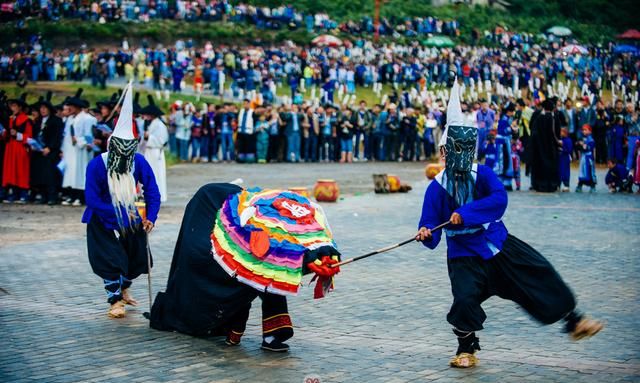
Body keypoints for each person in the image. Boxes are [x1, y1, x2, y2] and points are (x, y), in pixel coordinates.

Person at [416, 80, 603, 369]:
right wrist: (425, 232)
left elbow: (499, 200)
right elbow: (431, 229)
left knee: (539, 273)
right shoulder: (436, 188)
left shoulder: (484, 174)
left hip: (497, 242)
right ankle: (466, 348)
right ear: (443, 153)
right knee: (464, 299)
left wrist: (465, 213)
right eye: (448, 151)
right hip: (464, 253)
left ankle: (574, 321)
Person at [149, 185, 340, 352]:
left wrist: (317, 257)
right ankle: (244, 330)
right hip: (222, 230)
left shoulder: (282, 222)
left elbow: (297, 244)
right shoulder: (250, 220)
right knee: (250, 274)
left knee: (270, 273)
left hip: (257, 233)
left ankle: (270, 335)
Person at [82, 83, 160, 318]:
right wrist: (117, 215)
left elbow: (153, 192)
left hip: (131, 213)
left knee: (136, 257)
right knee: (110, 259)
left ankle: (124, 287)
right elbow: (92, 199)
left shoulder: (139, 161)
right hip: (102, 215)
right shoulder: (97, 165)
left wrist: (151, 218)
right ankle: (114, 300)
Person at [61, 89, 96, 206]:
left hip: (83, 149)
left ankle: (81, 197)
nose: (68, 109)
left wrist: (80, 141)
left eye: (70, 107)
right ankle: (72, 194)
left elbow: (89, 135)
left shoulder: (87, 118)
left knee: (82, 173)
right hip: (72, 149)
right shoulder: (71, 119)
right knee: (72, 173)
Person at [31, 93, 64, 205]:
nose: (43, 110)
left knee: (50, 175)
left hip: (51, 151)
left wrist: (50, 147)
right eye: (41, 108)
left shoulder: (56, 121)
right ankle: (43, 195)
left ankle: (52, 196)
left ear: (49, 109)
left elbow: (57, 136)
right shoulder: (38, 121)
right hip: (39, 151)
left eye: (45, 108)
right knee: (40, 174)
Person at [2, 93, 33, 203]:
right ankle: (14, 194)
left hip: (20, 148)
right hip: (11, 148)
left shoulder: (26, 120)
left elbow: (29, 137)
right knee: (11, 171)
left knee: (21, 170)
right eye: (11, 106)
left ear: (20, 107)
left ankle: (23, 194)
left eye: (14, 106)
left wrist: (17, 134)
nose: (12, 108)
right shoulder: (11, 119)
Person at [140, 95, 168, 202]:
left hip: (156, 153)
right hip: (149, 152)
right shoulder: (150, 124)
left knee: (157, 174)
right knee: (149, 174)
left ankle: (158, 195)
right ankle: (149, 194)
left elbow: (161, 141)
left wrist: (149, 137)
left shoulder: (160, 125)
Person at [529, 98, 561, 192]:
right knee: (551, 166)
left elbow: (533, 132)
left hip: (539, 147)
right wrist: (558, 143)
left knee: (540, 166)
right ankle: (552, 184)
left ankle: (540, 185)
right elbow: (556, 133)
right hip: (551, 147)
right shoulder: (554, 118)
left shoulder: (539, 118)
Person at [576, 124, 597, 193]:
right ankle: (580, 185)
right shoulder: (581, 138)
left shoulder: (591, 140)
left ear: (590, 131)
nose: (584, 131)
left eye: (585, 130)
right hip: (583, 158)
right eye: (583, 130)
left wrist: (583, 145)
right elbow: (579, 148)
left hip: (588, 158)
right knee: (582, 172)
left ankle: (592, 186)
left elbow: (590, 148)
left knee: (590, 172)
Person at [236, 99, 256, 163]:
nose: (245, 105)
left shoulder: (252, 112)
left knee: (249, 146)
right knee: (241, 146)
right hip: (241, 131)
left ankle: (249, 158)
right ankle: (241, 158)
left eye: (246, 104)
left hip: (249, 132)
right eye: (244, 104)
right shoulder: (241, 111)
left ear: (249, 104)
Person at [558, 127, 573, 192]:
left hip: (565, 158)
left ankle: (566, 185)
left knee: (565, 172)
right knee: (559, 171)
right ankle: (558, 184)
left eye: (561, 132)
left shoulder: (568, 140)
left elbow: (569, 149)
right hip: (560, 158)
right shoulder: (562, 140)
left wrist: (562, 149)